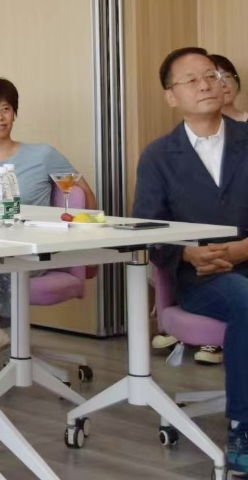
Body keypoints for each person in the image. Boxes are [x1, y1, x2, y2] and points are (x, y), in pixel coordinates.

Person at [0, 76, 97, 412]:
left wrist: (75, 236)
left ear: (14, 113)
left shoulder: (43, 155)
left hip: (31, 255)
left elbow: (85, 197)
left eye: (6, 109)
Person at [135, 46, 248, 472]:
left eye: (211, 75)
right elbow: (148, 230)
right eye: (191, 79)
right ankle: (242, 425)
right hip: (201, 278)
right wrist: (187, 251)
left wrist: (242, 249)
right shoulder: (158, 156)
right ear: (171, 96)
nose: (205, 84)